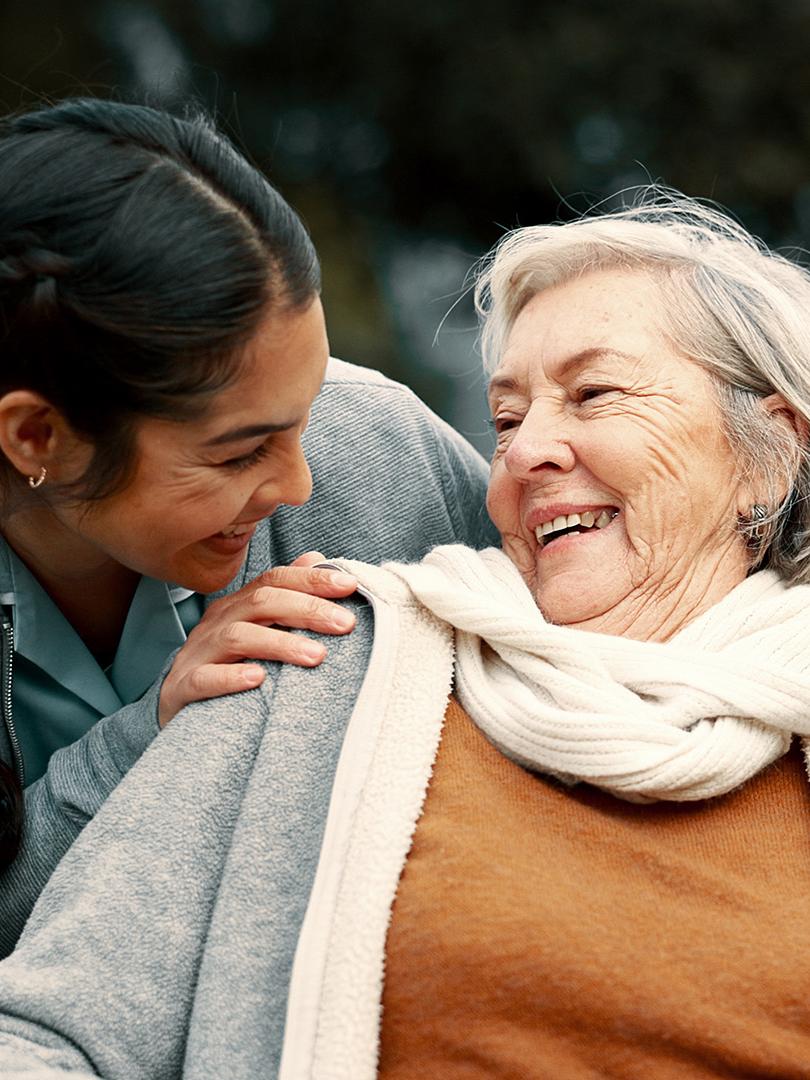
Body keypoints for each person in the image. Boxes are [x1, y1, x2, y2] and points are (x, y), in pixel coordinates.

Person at [2, 190, 810, 1078]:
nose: (525, 450)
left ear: (771, 450)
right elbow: (54, 1035)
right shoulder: (322, 653)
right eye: (503, 420)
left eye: (595, 393)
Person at [0, 97, 497, 954]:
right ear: (37, 437)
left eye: (306, 415)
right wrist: (153, 734)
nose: (300, 484)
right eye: (238, 454)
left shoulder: (380, 450)